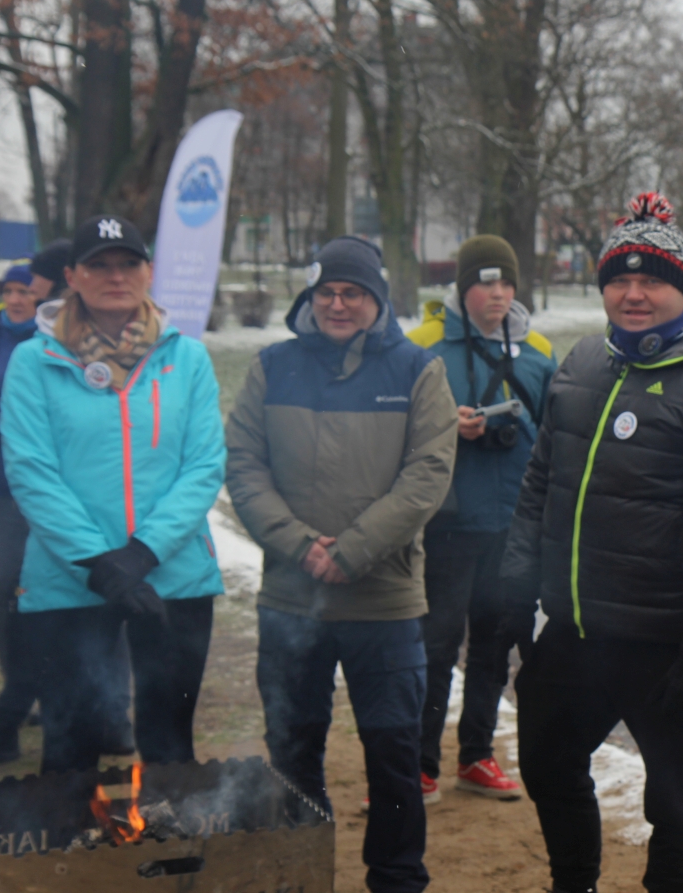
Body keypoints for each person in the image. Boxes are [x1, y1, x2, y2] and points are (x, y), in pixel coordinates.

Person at [501, 192, 683, 893]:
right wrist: (513, 590)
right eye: (619, 280)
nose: (633, 294)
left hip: (667, 640)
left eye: (652, 280)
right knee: (546, 761)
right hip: (576, 628)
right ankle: (575, 882)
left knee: (676, 806)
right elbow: (540, 483)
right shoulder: (582, 363)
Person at [225, 235, 457, 893]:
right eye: (326, 292)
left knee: (393, 753)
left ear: (377, 298)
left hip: (384, 601)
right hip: (292, 599)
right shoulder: (272, 367)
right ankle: (303, 873)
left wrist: (352, 550)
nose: (337, 304)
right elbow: (243, 466)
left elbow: (427, 475)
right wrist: (300, 544)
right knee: (292, 749)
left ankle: (397, 878)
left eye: (353, 292)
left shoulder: (418, 371)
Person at [0, 216, 226, 773]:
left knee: (170, 748)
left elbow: (203, 465)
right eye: (98, 265)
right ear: (72, 276)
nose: (115, 276)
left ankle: (167, 835)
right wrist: (100, 564)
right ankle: (70, 836)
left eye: (128, 263)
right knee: (69, 751)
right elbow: (31, 470)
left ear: (149, 272)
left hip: (173, 577)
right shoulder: (34, 360)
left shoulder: (188, 358)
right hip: (69, 579)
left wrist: (141, 555)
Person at [406, 235, 555, 802]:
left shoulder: (538, 350)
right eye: (486, 283)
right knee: (436, 645)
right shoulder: (422, 347)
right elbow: (392, 429)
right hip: (446, 521)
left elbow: (555, 435)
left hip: (513, 523)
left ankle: (477, 755)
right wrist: (448, 427)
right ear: (463, 287)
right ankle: (420, 764)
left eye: (506, 282)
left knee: (494, 644)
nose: (498, 294)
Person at [0, 262, 37, 761]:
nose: (15, 298)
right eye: (8, 290)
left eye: (24, 290)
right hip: (3, 495)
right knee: (6, 596)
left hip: (44, 497)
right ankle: (15, 700)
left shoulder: (52, 344)